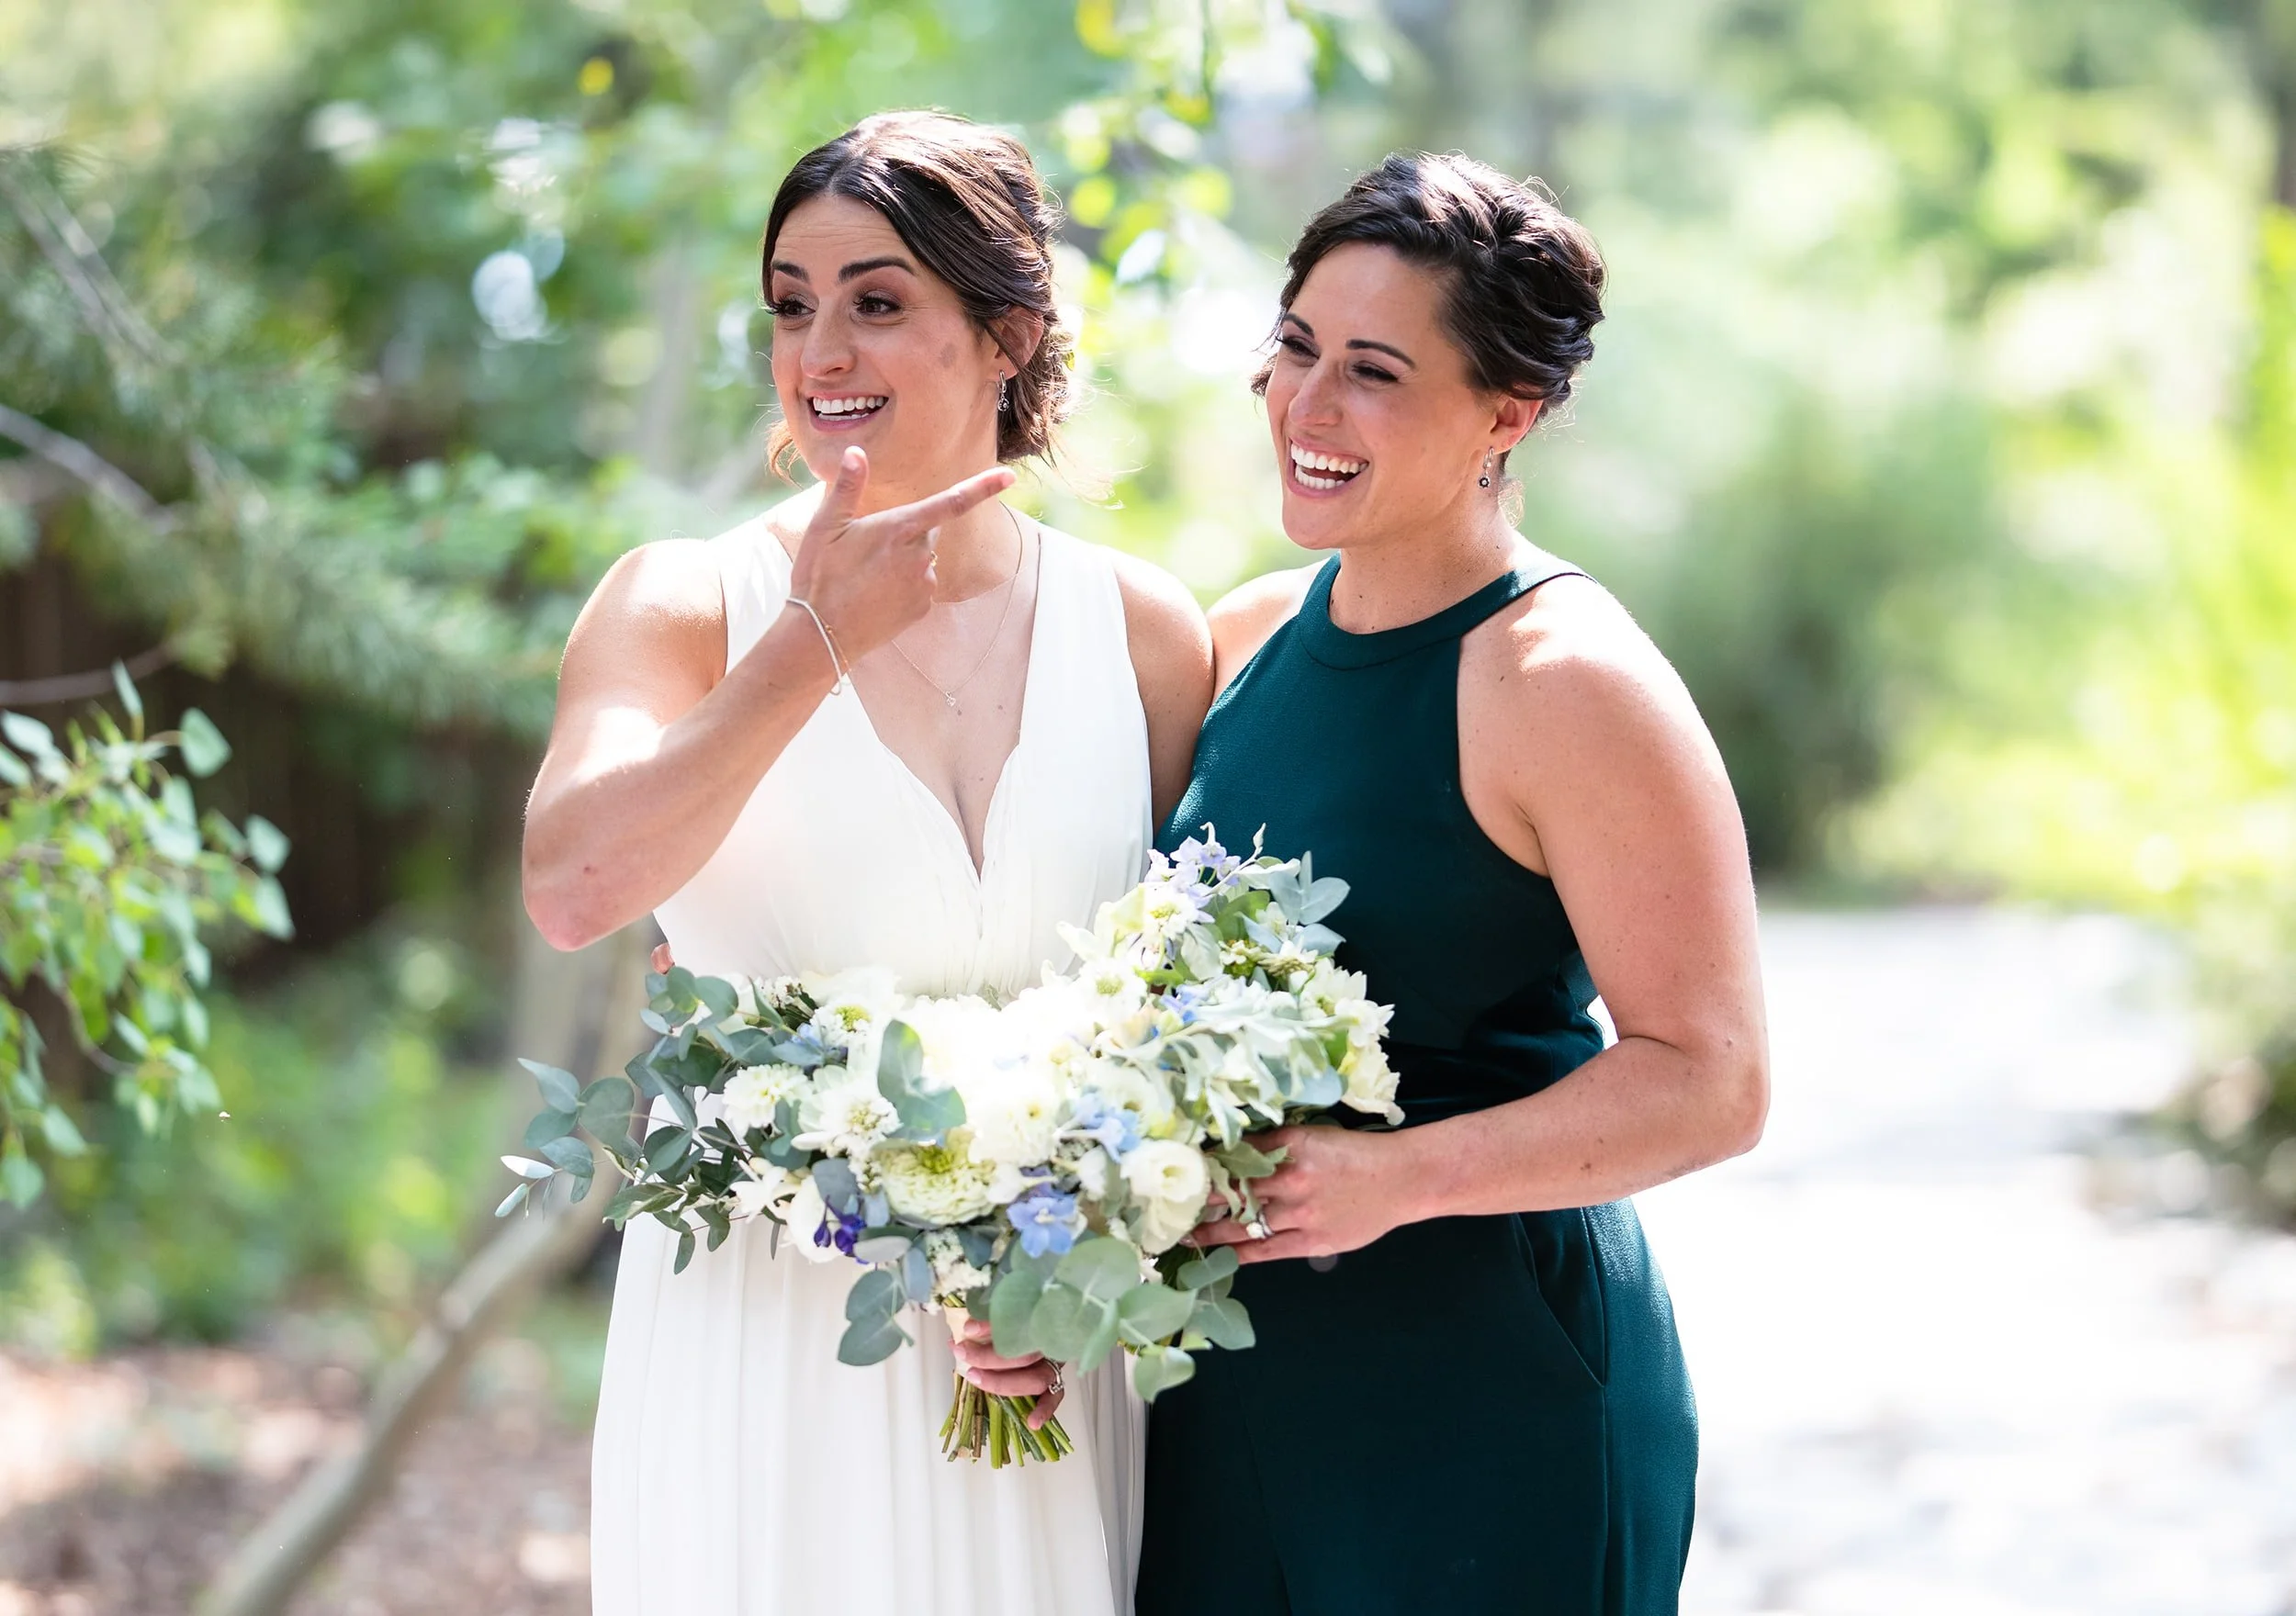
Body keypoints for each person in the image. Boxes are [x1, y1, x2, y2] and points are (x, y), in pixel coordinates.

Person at [522, 111, 1211, 1615]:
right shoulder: (684, 603)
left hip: (1047, 1361)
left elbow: (1177, 999)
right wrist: (810, 640)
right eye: (791, 303)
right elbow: (573, 889)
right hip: (775, 1352)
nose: (819, 348)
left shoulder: (1145, 635)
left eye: (877, 300)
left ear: (1009, 333)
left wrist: (1083, 1239)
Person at [1133, 153, 1769, 1614]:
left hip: (1486, 1385)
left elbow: (1715, 1078)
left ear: (1509, 412)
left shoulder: (1568, 680)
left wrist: (1394, 1180)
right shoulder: (1242, 638)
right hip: (1227, 1386)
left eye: (1373, 371)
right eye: (1294, 348)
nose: (1307, 407)